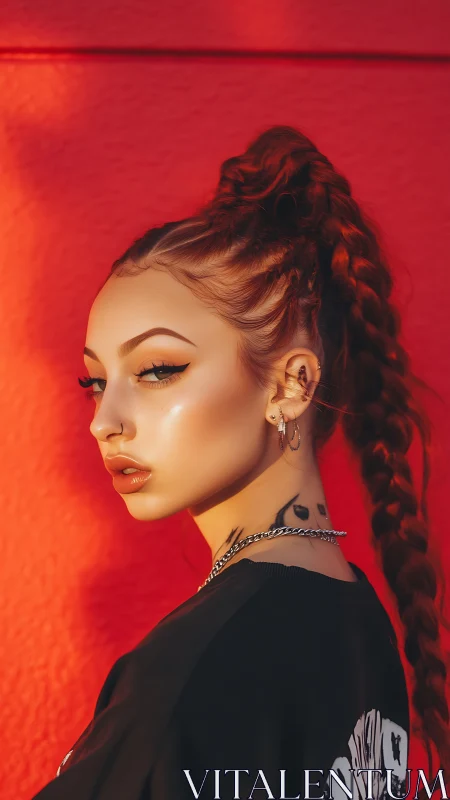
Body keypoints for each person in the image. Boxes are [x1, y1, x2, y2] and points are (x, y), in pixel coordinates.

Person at [31, 125, 449, 800]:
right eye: (95, 381)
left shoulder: (197, 666)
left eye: (159, 369)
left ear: (289, 385)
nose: (104, 421)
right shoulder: (358, 626)